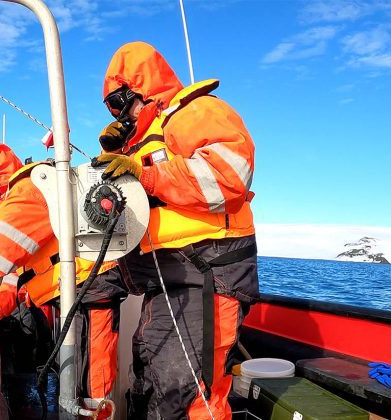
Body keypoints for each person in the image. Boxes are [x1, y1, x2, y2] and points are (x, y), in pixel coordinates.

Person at [93, 41, 259, 419]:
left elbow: (228, 176)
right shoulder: (150, 139)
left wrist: (147, 175)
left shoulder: (196, 112)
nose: (119, 114)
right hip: (170, 277)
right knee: (153, 378)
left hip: (207, 273)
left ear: (140, 90)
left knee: (188, 397)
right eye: (112, 109)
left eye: (120, 103)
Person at [0, 141, 123, 407]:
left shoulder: (28, 191)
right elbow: (18, 274)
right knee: (79, 375)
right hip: (75, 289)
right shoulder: (26, 196)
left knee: (93, 380)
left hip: (91, 287)